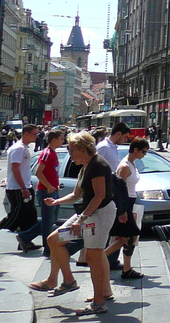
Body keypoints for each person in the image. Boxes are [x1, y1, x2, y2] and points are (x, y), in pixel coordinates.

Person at [33, 132, 117, 316]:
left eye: (72, 151)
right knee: (54, 240)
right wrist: (56, 202)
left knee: (94, 256)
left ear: (82, 148)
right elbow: (77, 194)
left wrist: (81, 219)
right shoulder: (85, 166)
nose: (71, 155)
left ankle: (98, 302)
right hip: (88, 213)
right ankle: (69, 281)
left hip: (99, 214)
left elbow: (100, 195)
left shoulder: (97, 165)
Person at [105, 137, 148, 280]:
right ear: (135, 150)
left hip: (129, 203)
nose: (144, 155)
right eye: (143, 152)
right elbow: (119, 190)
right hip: (124, 204)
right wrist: (122, 210)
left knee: (128, 237)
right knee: (130, 236)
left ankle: (124, 267)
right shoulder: (124, 166)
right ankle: (102, 258)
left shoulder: (131, 164)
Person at [18, 129, 64, 255]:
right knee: (48, 221)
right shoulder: (47, 153)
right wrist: (49, 186)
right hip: (46, 191)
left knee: (50, 219)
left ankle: (25, 236)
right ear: (54, 140)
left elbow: (52, 171)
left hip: (53, 190)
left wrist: (55, 185)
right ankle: (48, 248)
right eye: (61, 138)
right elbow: (38, 172)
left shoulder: (53, 153)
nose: (63, 141)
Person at [3, 125, 39, 250]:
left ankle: (25, 241)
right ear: (26, 134)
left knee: (30, 216)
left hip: (25, 186)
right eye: (35, 134)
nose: (37, 136)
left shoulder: (24, 148)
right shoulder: (18, 149)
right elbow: (15, 168)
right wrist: (23, 187)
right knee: (16, 216)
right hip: (18, 188)